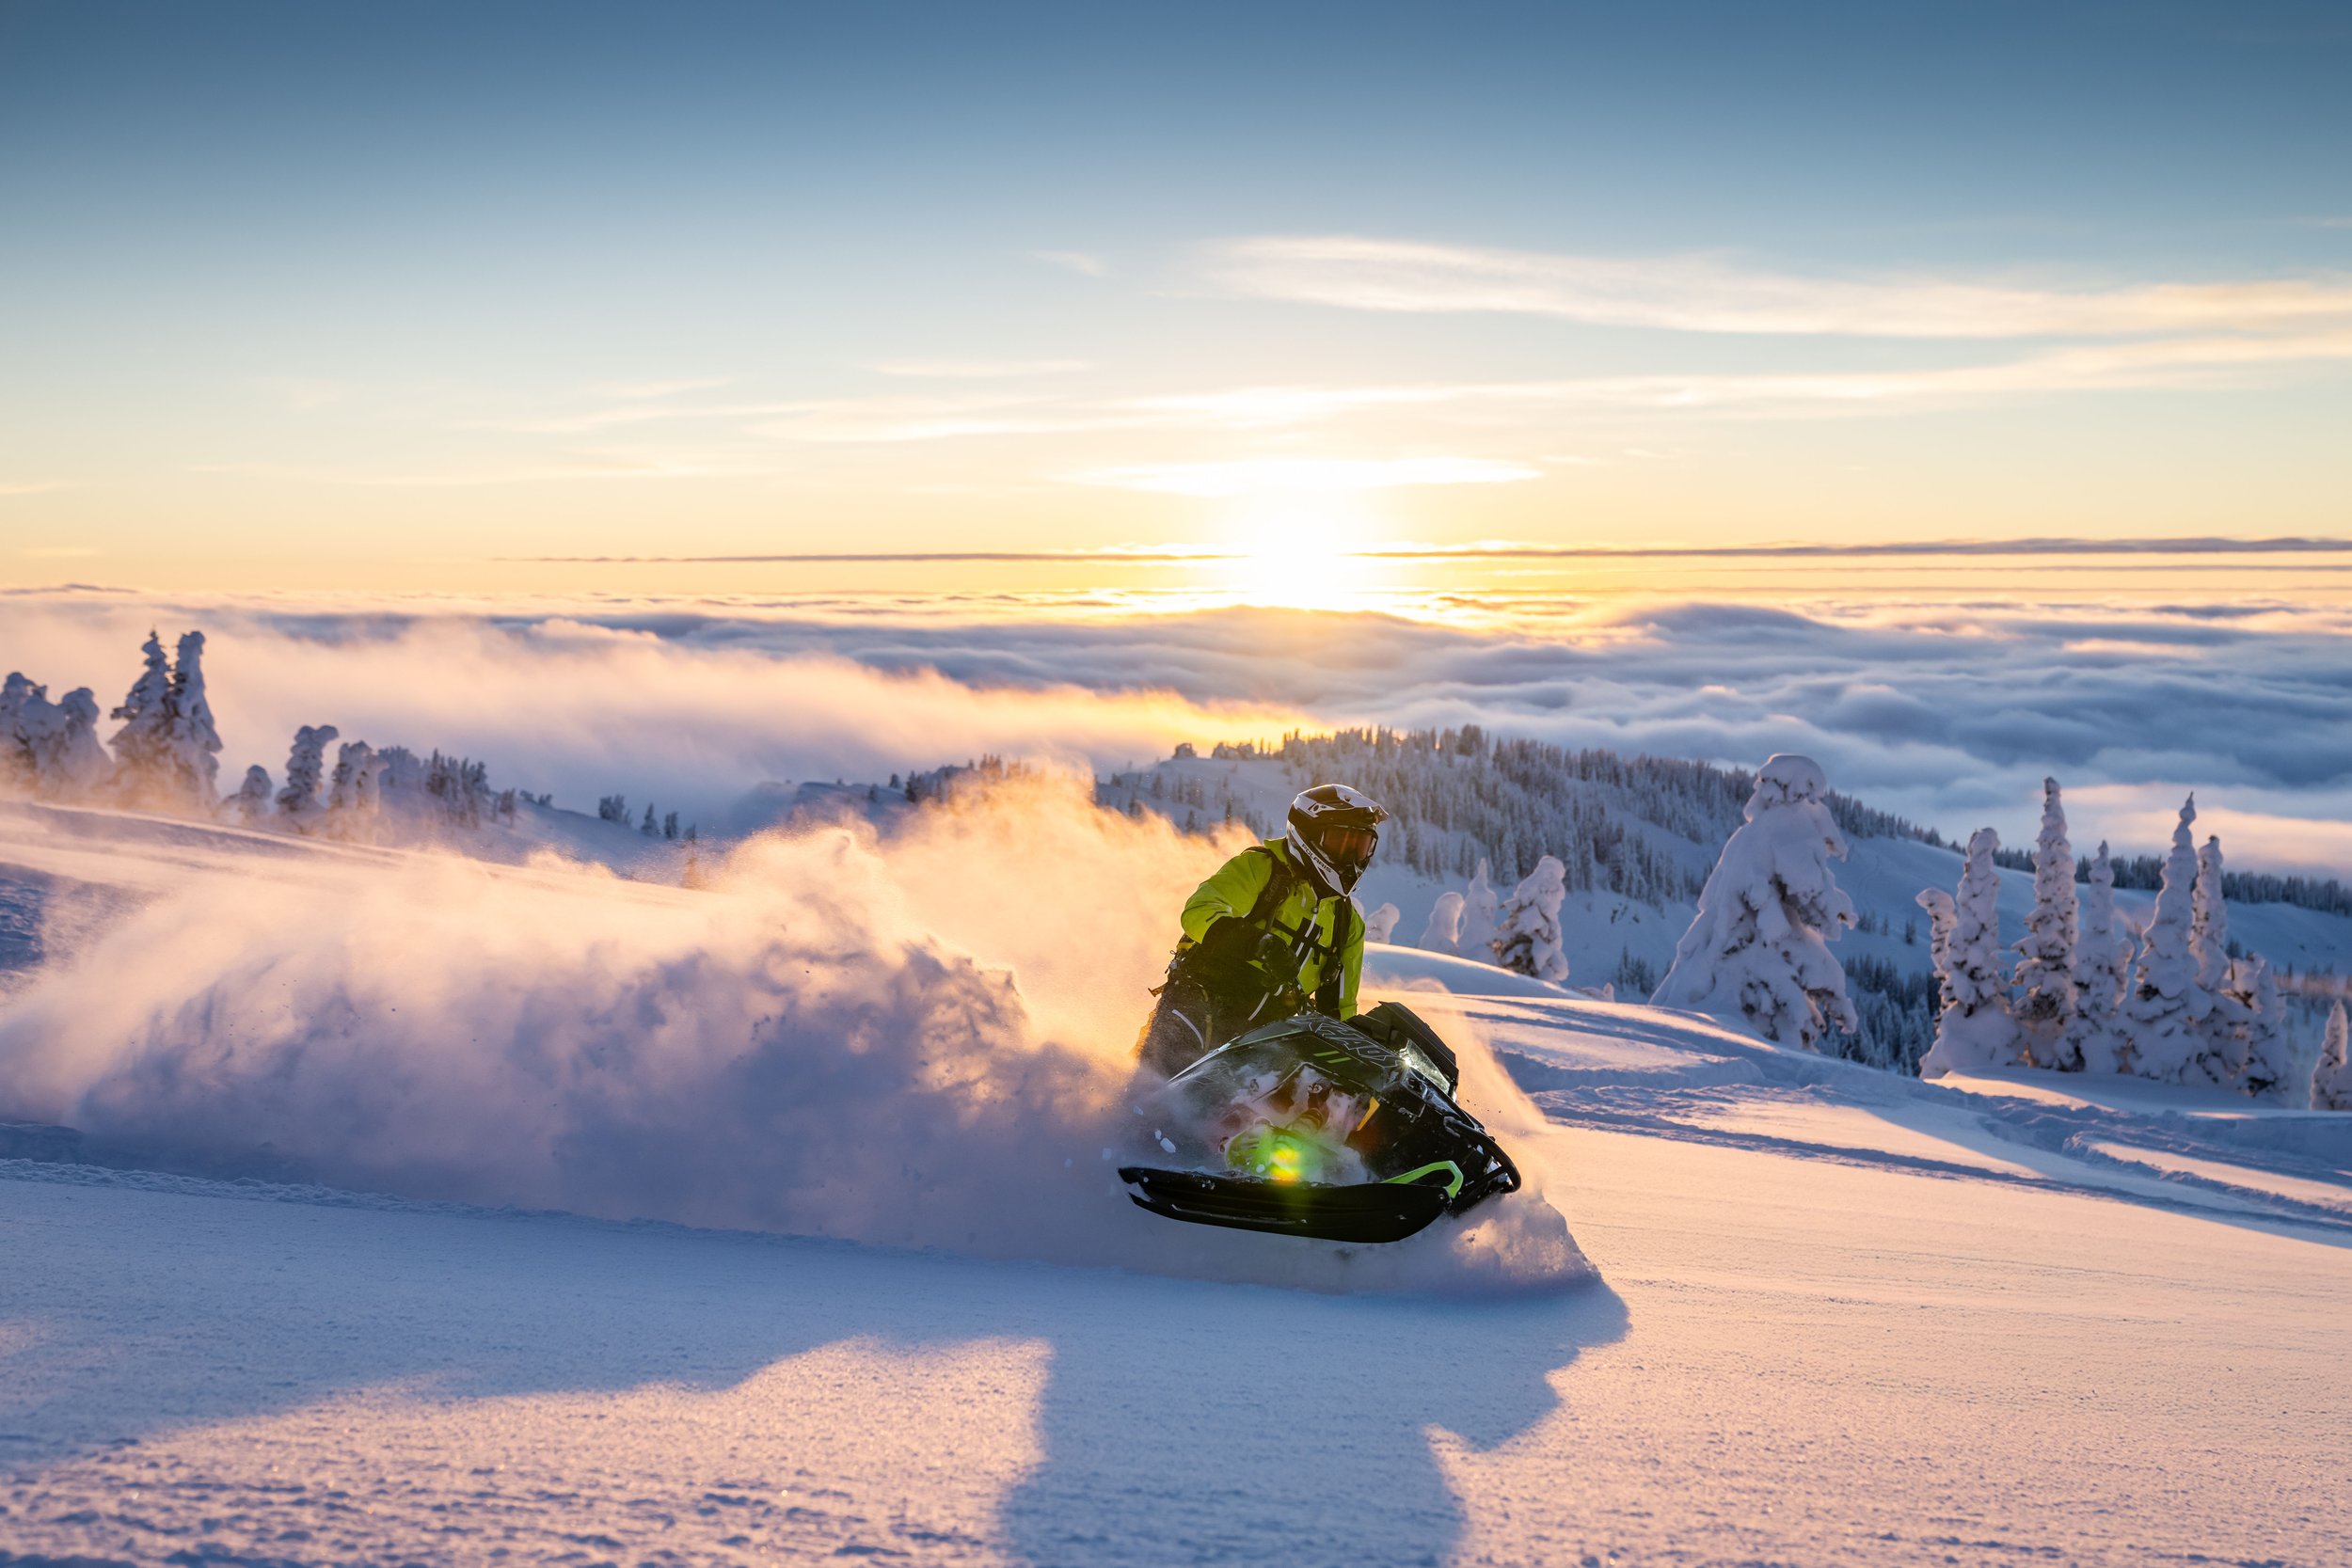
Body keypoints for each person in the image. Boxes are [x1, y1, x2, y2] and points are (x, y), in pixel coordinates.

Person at [1136, 783, 1389, 1078]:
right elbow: (1199, 911)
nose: (1351, 857)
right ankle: (1124, 1114)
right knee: (1158, 1080)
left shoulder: (1347, 924)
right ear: (1307, 834)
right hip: (1202, 998)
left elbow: (1339, 1011)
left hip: (1268, 1034)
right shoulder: (1261, 869)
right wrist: (1258, 943)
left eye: (1360, 846)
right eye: (1341, 842)